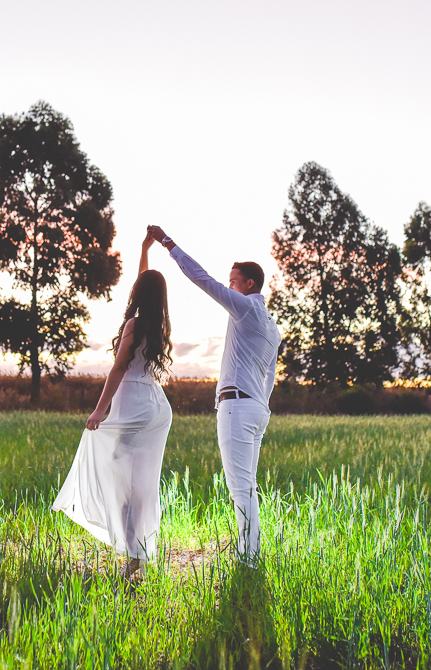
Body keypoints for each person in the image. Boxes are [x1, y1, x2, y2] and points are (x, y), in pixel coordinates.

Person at [146, 224, 280, 567]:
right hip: (256, 409)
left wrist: (167, 243)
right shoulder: (271, 325)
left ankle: (248, 561)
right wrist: (262, 407)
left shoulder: (247, 308)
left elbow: (203, 280)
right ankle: (249, 555)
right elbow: (270, 375)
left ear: (249, 284)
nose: (230, 285)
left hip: (236, 408)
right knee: (247, 487)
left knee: (241, 489)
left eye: (234, 281)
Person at [52, 234, 174, 578]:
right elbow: (146, 284)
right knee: (141, 482)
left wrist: (99, 410)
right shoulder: (159, 324)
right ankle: (138, 551)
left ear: (137, 293)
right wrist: (144, 250)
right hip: (156, 407)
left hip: (133, 404)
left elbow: (119, 368)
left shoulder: (135, 325)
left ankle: (135, 554)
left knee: (119, 479)